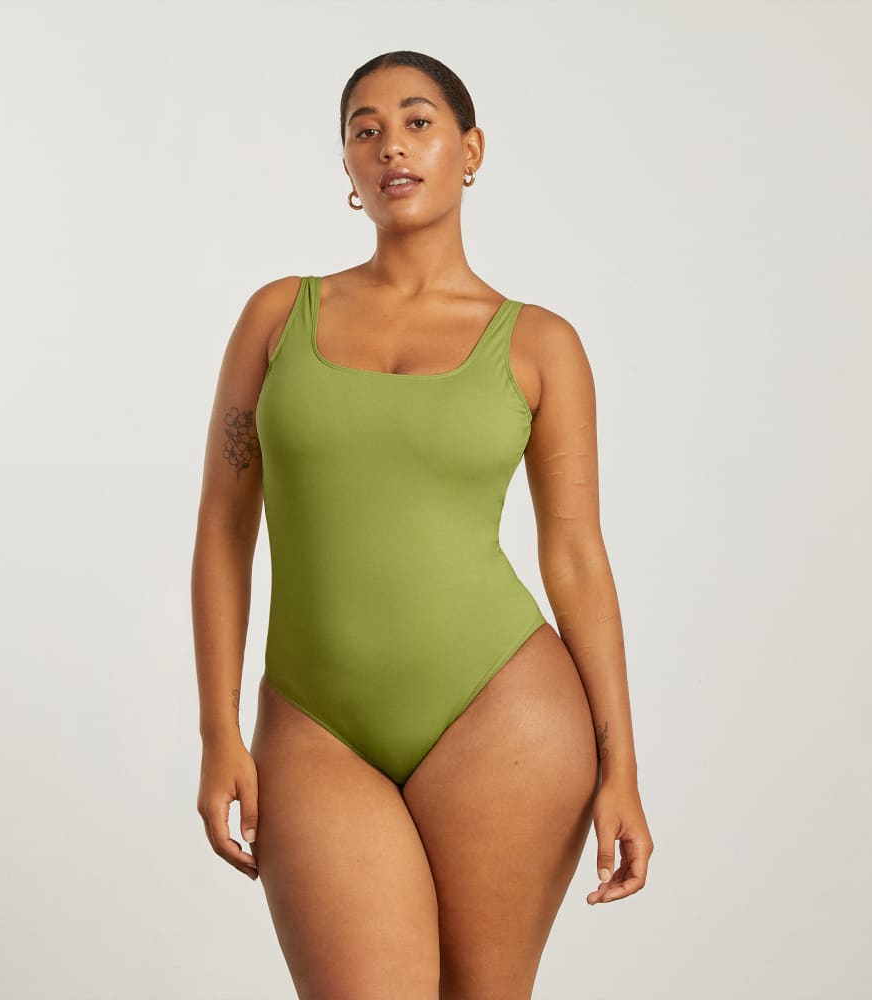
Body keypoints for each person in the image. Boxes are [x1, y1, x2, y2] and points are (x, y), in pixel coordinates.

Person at [191, 49, 653, 1000]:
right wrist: (218, 732)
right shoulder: (277, 318)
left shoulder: (539, 344)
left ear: (470, 150)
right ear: (347, 166)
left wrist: (623, 768)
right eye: (365, 130)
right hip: (314, 725)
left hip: (504, 714)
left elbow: (576, 559)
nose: (390, 146)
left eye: (417, 122)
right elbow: (223, 531)